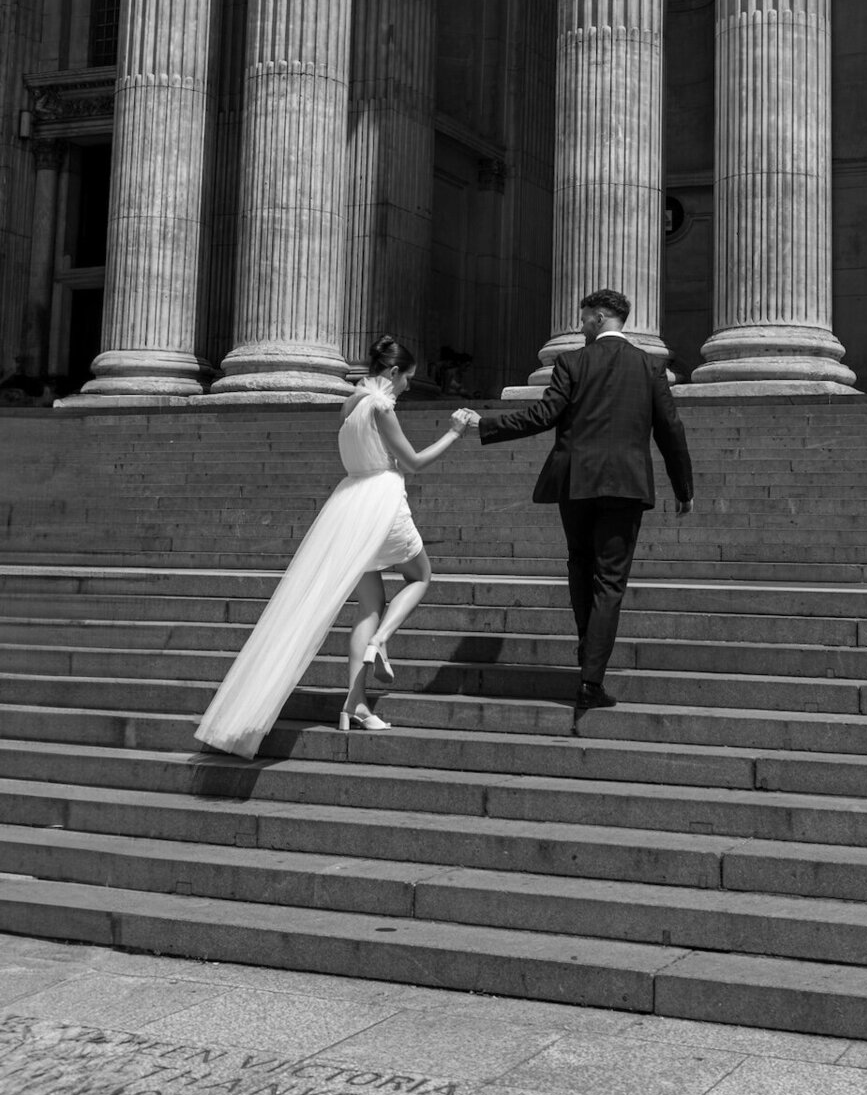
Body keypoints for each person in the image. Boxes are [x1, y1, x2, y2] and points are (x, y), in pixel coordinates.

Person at [195, 335, 476, 759]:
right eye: (407, 380)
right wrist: (455, 432)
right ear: (393, 372)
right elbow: (414, 464)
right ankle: (381, 640)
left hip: (349, 506)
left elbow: (369, 456)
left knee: (368, 603)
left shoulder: (350, 404)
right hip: (382, 503)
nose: (407, 388)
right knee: (421, 576)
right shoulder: (381, 407)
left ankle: (356, 704)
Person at [466, 288, 693, 714]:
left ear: (602, 316)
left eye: (585, 316)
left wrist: (486, 425)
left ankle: (587, 655)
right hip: (626, 485)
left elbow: (541, 416)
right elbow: (670, 430)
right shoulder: (650, 366)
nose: (580, 323)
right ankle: (591, 679)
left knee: (580, 567)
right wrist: (684, 489)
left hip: (576, 484)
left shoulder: (572, 362)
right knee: (610, 582)